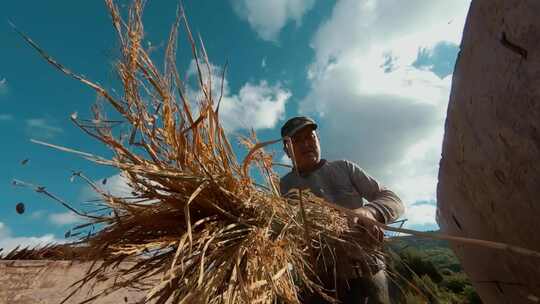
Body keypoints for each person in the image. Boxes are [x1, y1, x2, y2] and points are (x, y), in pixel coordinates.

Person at [279, 116, 405, 304]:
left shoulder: (344, 168)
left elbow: (393, 199)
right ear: (287, 151)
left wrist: (370, 212)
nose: (306, 144)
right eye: (297, 140)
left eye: (310, 137)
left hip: (368, 271)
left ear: (318, 140)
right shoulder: (284, 186)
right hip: (320, 283)